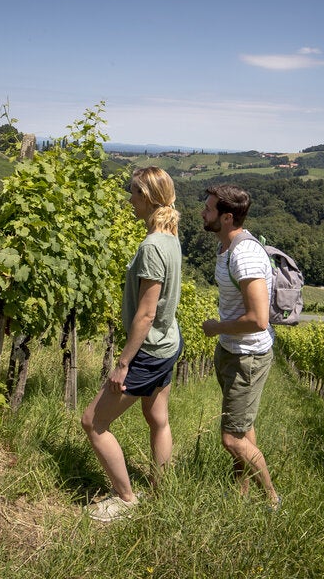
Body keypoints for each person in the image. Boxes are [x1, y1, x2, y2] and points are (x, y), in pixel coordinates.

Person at [81, 166, 183, 522]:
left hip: (148, 352)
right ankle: (162, 491)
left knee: (93, 422)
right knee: (158, 418)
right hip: (169, 343)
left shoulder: (153, 245)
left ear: (148, 198)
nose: (129, 199)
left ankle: (126, 500)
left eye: (133, 193)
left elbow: (145, 314)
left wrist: (123, 363)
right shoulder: (170, 237)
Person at [200, 184, 282, 510]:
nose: (203, 213)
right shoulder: (227, 247)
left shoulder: (244, 254)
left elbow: (258, 319)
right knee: (243, 428)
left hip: (247, 355)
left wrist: (216, 327)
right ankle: (241, 494)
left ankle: (271, 499)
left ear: (227, 217)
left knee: (231, 438)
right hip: (233, 351)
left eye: (209, 209)